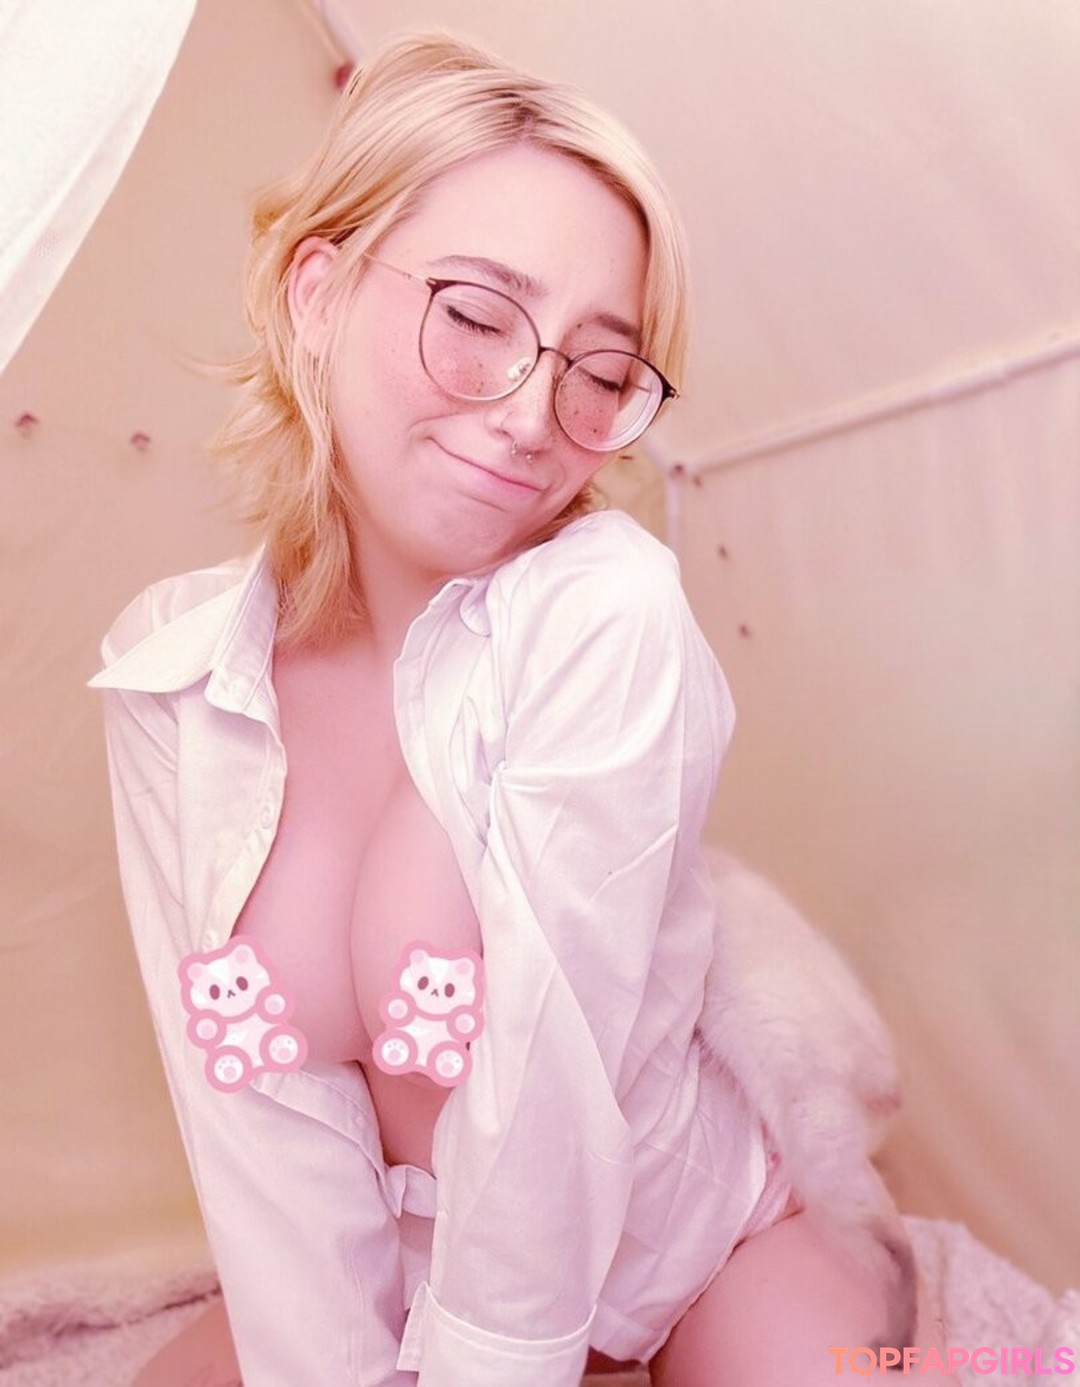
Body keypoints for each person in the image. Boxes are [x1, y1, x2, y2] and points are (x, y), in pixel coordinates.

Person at [91, 31, 935, 1387]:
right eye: (478, 318)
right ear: (318, 295)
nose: (534, 414)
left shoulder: (605, 616)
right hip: (415, 1274)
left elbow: (543, 1105)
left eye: (600, 371)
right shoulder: (170, 675)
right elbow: (248, 1122)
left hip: (693, 1244)